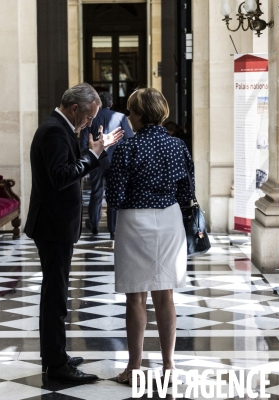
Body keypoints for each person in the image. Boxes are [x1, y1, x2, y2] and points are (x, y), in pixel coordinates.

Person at [24, 83, 124, 383]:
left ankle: (55, 355)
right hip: (53, 225)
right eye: (89, 116)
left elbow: (68, 165)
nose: (90, 122)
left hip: (55, 224)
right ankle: (56, 366)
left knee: (56, 293)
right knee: (55, 296)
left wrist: (96, 148)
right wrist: (92, 155)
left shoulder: (61, 128)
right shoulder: (55, 131)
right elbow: (61, 176)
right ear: (74, 108)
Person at [106, 88, 194, 385]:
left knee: (136, 298)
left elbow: (115, 195)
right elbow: (187, 192)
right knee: (166, 295)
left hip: (134, 221)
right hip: (169, 220)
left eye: (131, 112)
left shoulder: (127, 148)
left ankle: (134, 368)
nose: (128, 117)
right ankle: (169, 367)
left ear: (140, 115)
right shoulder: (177, 146)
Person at [80, 91, 133, 239]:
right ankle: (113, 229)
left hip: (96, 160)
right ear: (111, 104)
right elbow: (129, 139)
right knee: (114, 193)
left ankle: (94, 224)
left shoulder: (91, 117)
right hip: (116, 162)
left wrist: (87, 157)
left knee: (96, 192)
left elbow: (84, 141)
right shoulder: (120, 117)